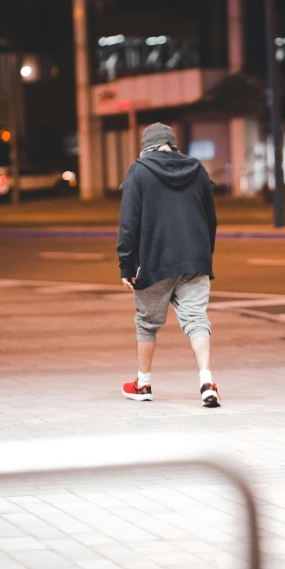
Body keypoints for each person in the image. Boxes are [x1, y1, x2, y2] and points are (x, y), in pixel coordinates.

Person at [117, 122, 220, 407]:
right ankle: (207, 381)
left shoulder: (139, 171)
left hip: (153, 262)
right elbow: (211, 219)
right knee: (197, 320)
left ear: (146, 147)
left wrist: (126, 265)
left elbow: (128, 224)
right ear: (173, 145)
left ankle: (143, 384)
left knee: (147, 324)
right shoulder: (197, 169)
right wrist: (203, 255)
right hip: (194, 260)